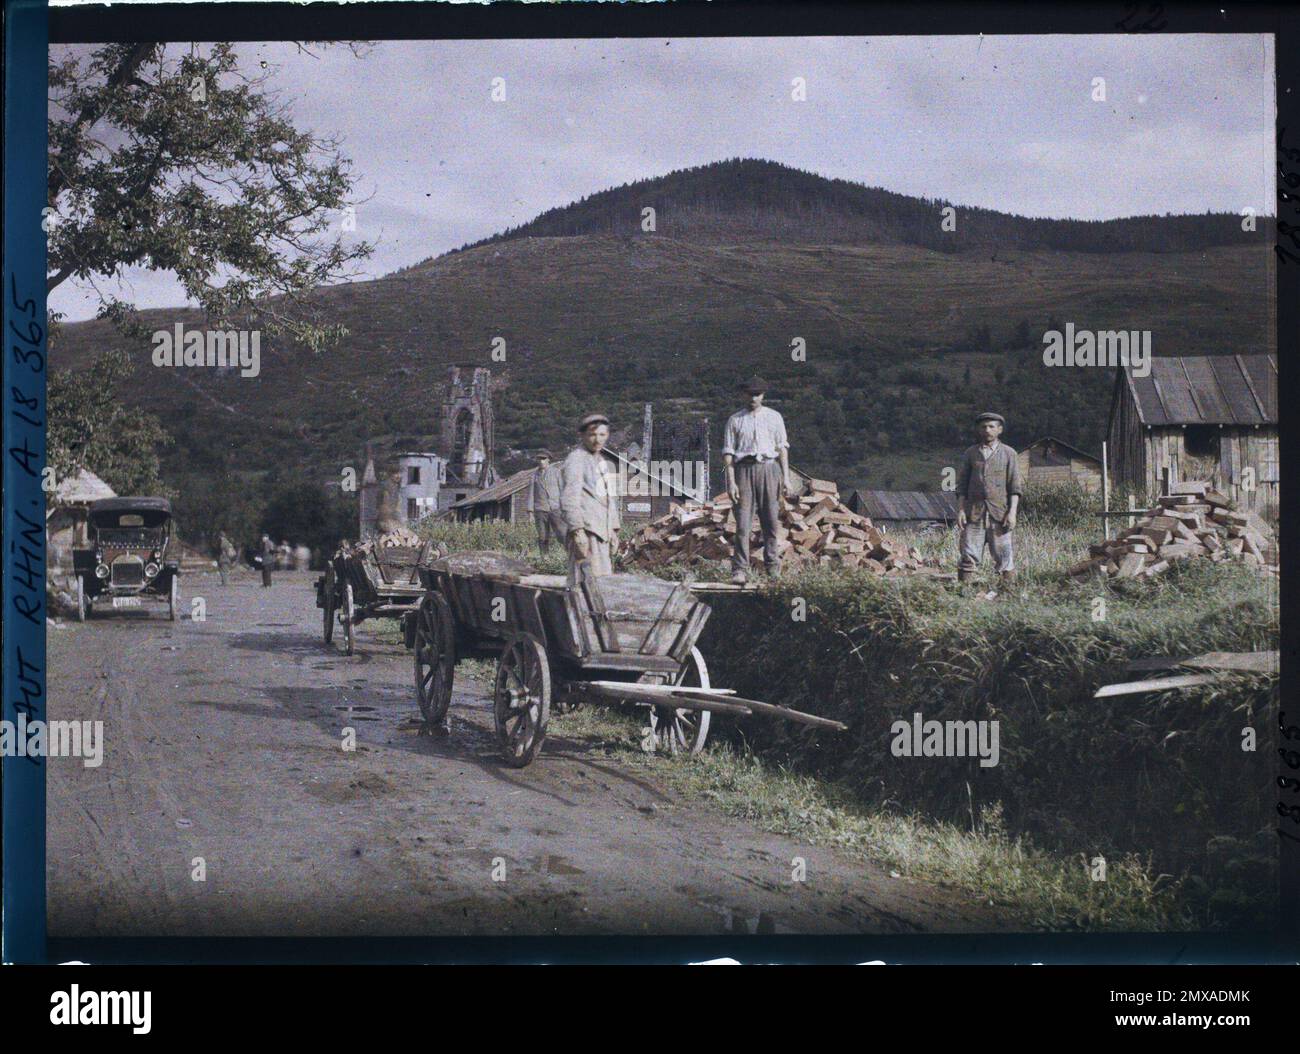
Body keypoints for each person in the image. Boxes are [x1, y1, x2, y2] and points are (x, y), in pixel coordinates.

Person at [722, 375, 791, 585]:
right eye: (750, 394)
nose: (754, 398)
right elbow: (728, 453)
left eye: (757, 394)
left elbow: (782, 449)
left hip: (769, 470)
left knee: (770, 521)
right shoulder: (735, 420)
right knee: (743, 524)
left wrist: (786, 478)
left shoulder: (774, 417)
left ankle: (772, 568)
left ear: (763, 395)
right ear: (744, 394)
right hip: (744, 471)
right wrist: (731, 482)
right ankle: (739, 570)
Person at [955, 411, 1022, 592]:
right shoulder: (971, 453)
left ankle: (1007, 595)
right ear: (978, 429)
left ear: (999, 430)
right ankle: (965, 594)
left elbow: (1015, 487)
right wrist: (961, 510)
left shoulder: (1009, 454)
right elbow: (961, 485)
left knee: (1004, 557)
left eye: (992, 426)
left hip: (999, 514)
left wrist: (1012, 513)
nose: (987, 430)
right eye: (983, 426)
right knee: (968, 555)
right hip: (974, 513)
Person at [560, 414, 621, 579]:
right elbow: (569, 498)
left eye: (602, 435)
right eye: (592, 435)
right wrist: (577, 531)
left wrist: (613, 530)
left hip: (602, 533)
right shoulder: (576, 459)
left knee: (602, 583)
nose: (597, 440)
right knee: (583, 583)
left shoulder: (601, 461)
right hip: (587, 532)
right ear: (583, 435)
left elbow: (609, 499)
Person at [526, 451, 566, 555]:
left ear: (548, 460)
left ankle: (568, 556)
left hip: (555, 509)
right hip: (540, 510)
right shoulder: (534, 476)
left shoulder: (556, 472)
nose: (541, 461)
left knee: (562, 534)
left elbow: (562, 490)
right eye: (539, 459)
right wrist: (530, 512)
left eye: (543, 459)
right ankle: (545, 558)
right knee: (543, 536)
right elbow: (531, 494)